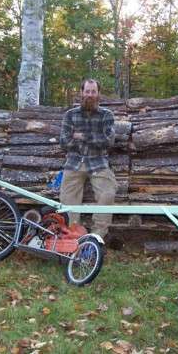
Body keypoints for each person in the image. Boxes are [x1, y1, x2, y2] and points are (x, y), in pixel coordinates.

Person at [59, 79, 117, 240]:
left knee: (108, 193)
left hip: (98, 162)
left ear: (98, 94)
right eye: (87, 91)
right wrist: (93, 139)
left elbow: (108, 141)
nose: (90, 95)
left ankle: (96, 236)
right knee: (67, 198)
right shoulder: (70, 115)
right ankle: (73, 233)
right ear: (81, 92)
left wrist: (81, 136)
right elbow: (64, 142)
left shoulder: (106, 115)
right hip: (74, 161)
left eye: (93, 92)